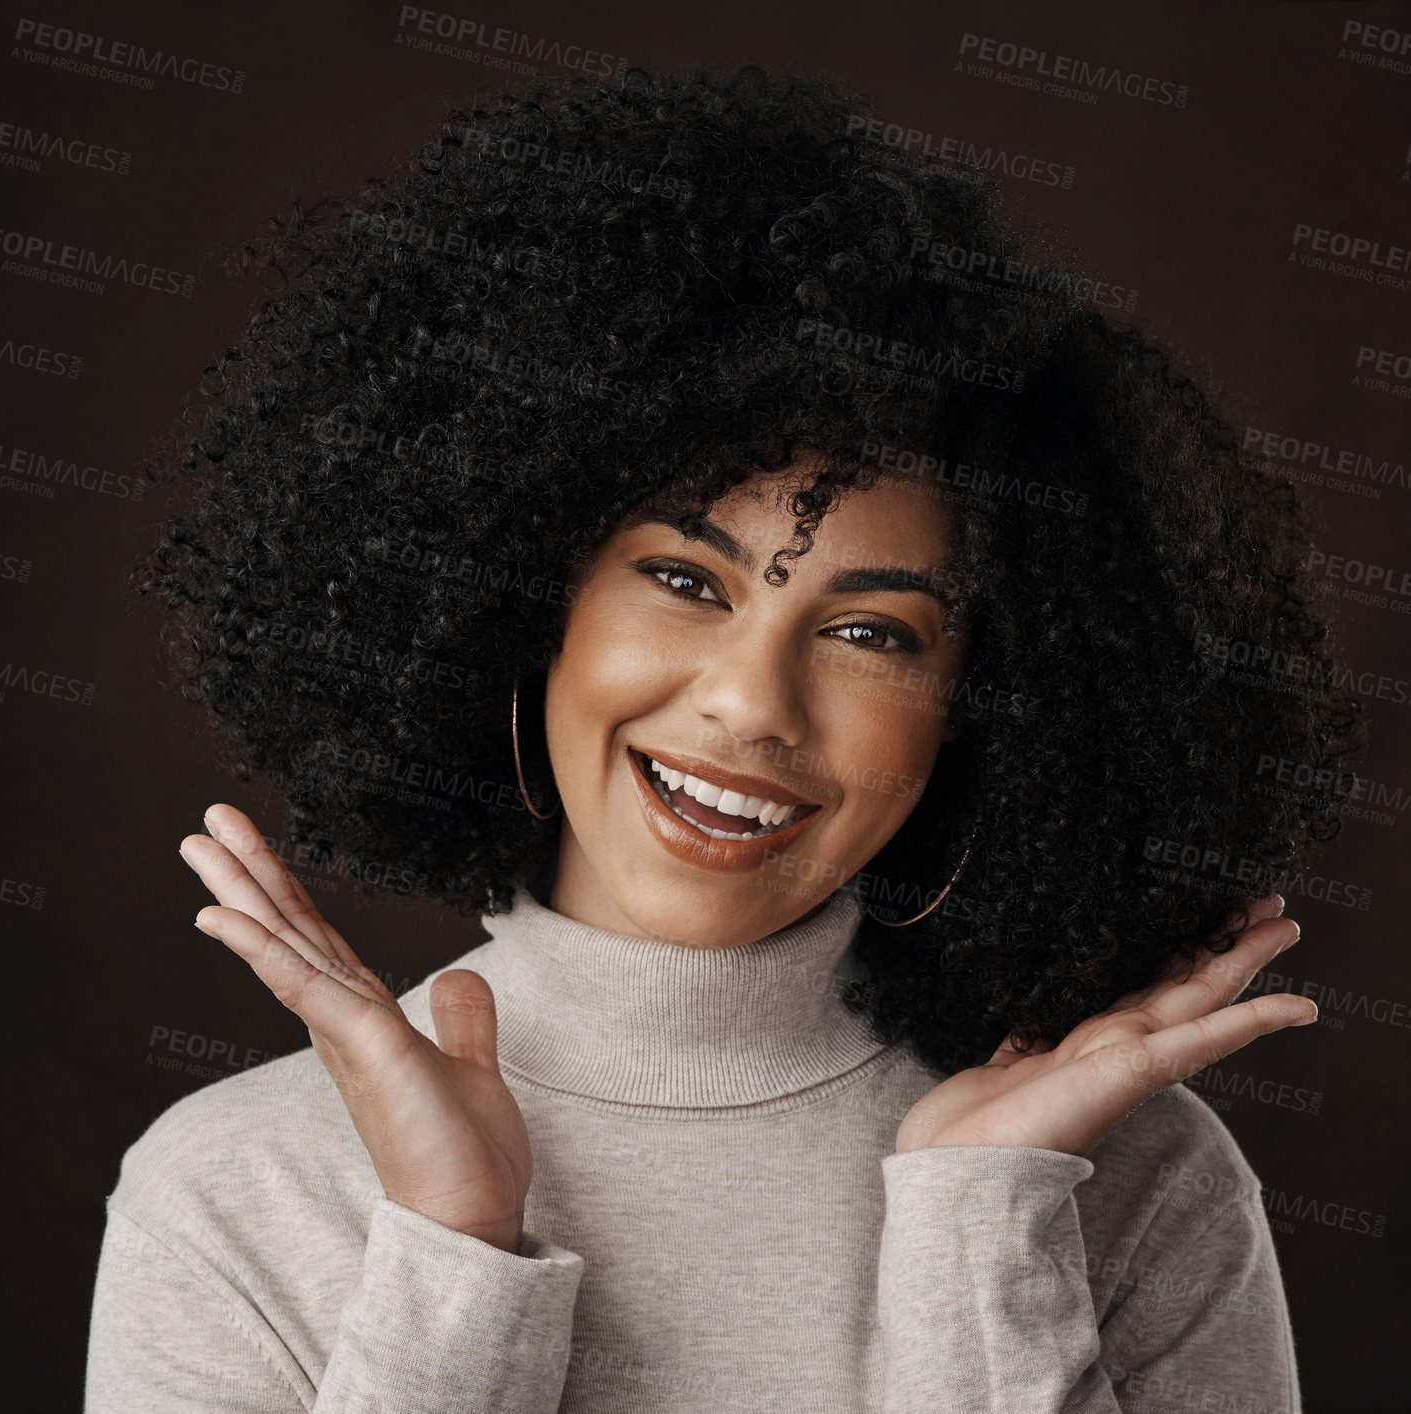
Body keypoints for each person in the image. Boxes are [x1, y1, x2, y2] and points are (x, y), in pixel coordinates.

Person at [86, 62, 1358, 1412]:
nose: (752, 701)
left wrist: (981, 1226)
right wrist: (453, 1260)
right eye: (686, 579)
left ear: (986, 710)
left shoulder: (1135, 1175)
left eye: (872, 633)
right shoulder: (238, 1181)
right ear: (527, 597)